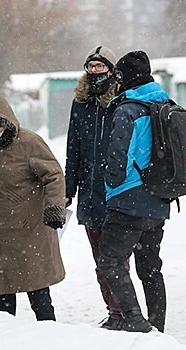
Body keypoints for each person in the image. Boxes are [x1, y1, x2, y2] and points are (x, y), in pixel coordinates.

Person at [0, 95, 66, 321]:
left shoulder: (29, 143)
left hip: (27, 231)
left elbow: (54, 175)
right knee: (1, 303)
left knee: (39, 295)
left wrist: (54, 208)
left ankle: (52, 339)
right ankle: (3, 340)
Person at [98, 51, 171, 333]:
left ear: (124, 78)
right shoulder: (163, 103)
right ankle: (157, 324)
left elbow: (118, 158)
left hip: (130, 200)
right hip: (159, 199)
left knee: (110, 260)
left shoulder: (127, 110)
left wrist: (111, 182)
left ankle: (135, 321)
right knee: (150, 265)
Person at [64, 46, 129, 330]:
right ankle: (115, 311)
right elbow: (72, 151)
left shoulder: (122, 102)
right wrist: (68, 190)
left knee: (118, 260)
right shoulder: (81, 104)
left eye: (100, 66)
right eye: (90, 66)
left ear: (111, 70)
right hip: (90, 196)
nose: (94, 72)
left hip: (119, 195)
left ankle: (128, 312)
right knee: (101, 260)